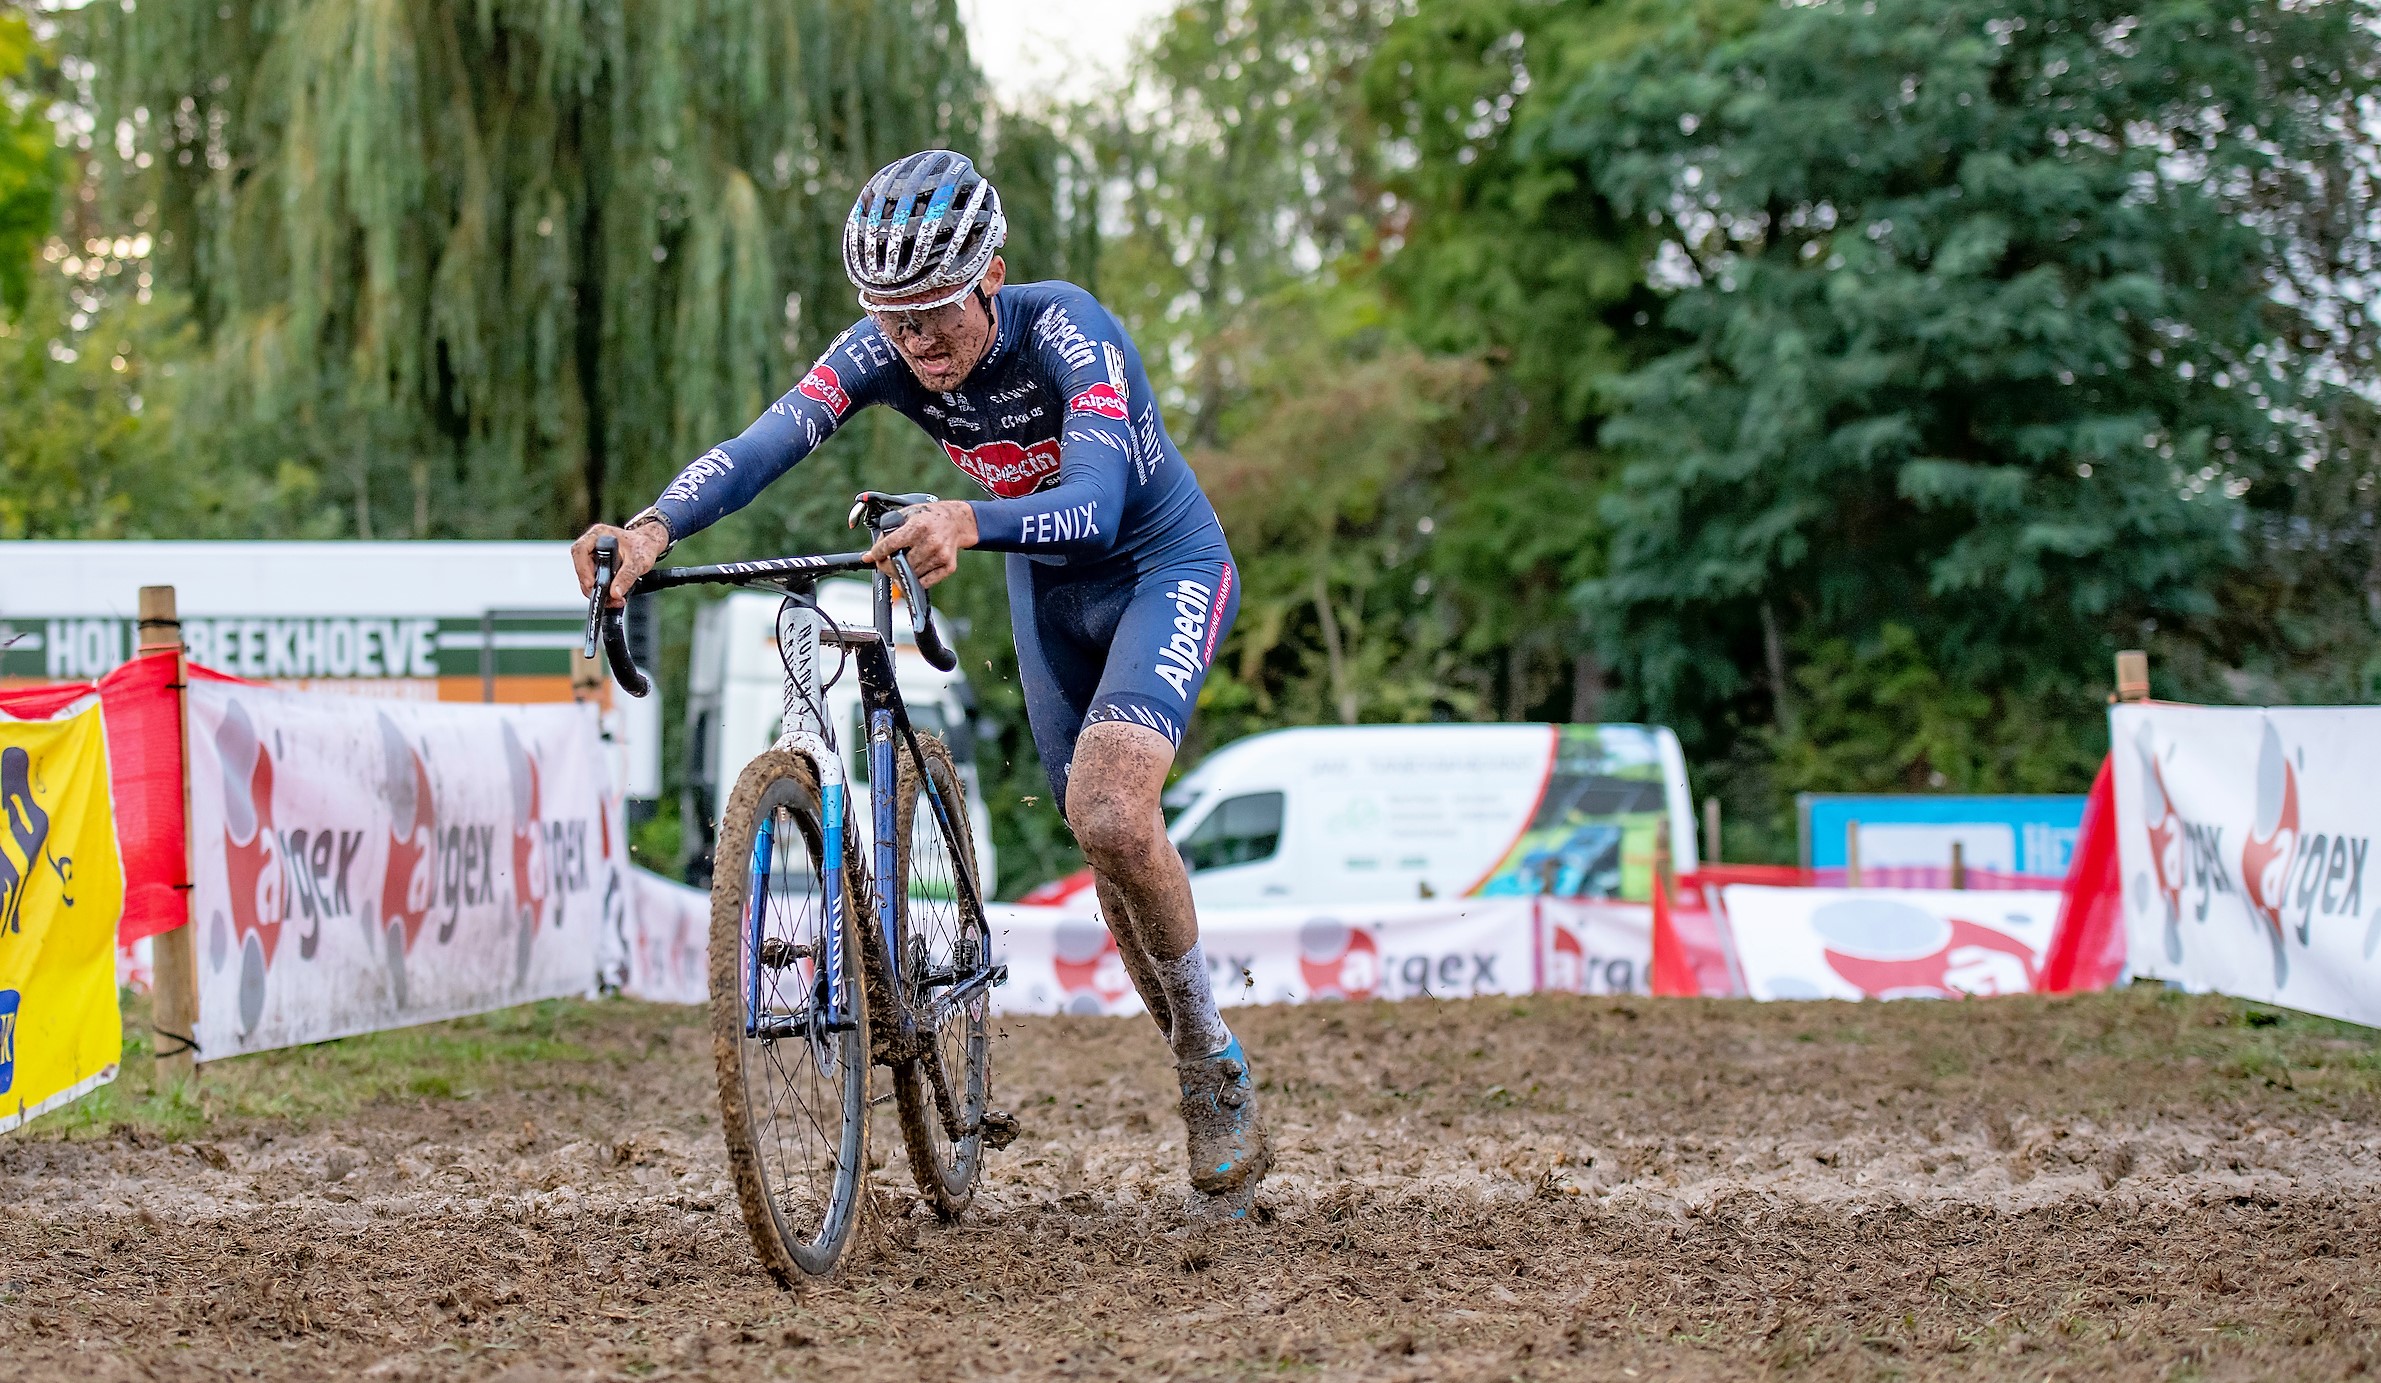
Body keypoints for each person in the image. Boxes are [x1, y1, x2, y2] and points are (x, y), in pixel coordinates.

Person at [571, 150, 1269, 1212]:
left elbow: (1094, 503)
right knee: (1099, 838)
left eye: (937, 312)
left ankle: (1207, 1058)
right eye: (892, 320)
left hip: (1155, 563)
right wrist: (652, 525)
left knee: (1114, 811)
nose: (916, 344)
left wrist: (963, 519)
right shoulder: (885, 350)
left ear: (993, 275)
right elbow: (767, 440)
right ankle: (1189, 1043)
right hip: (1046, 590)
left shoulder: (1069, 331)